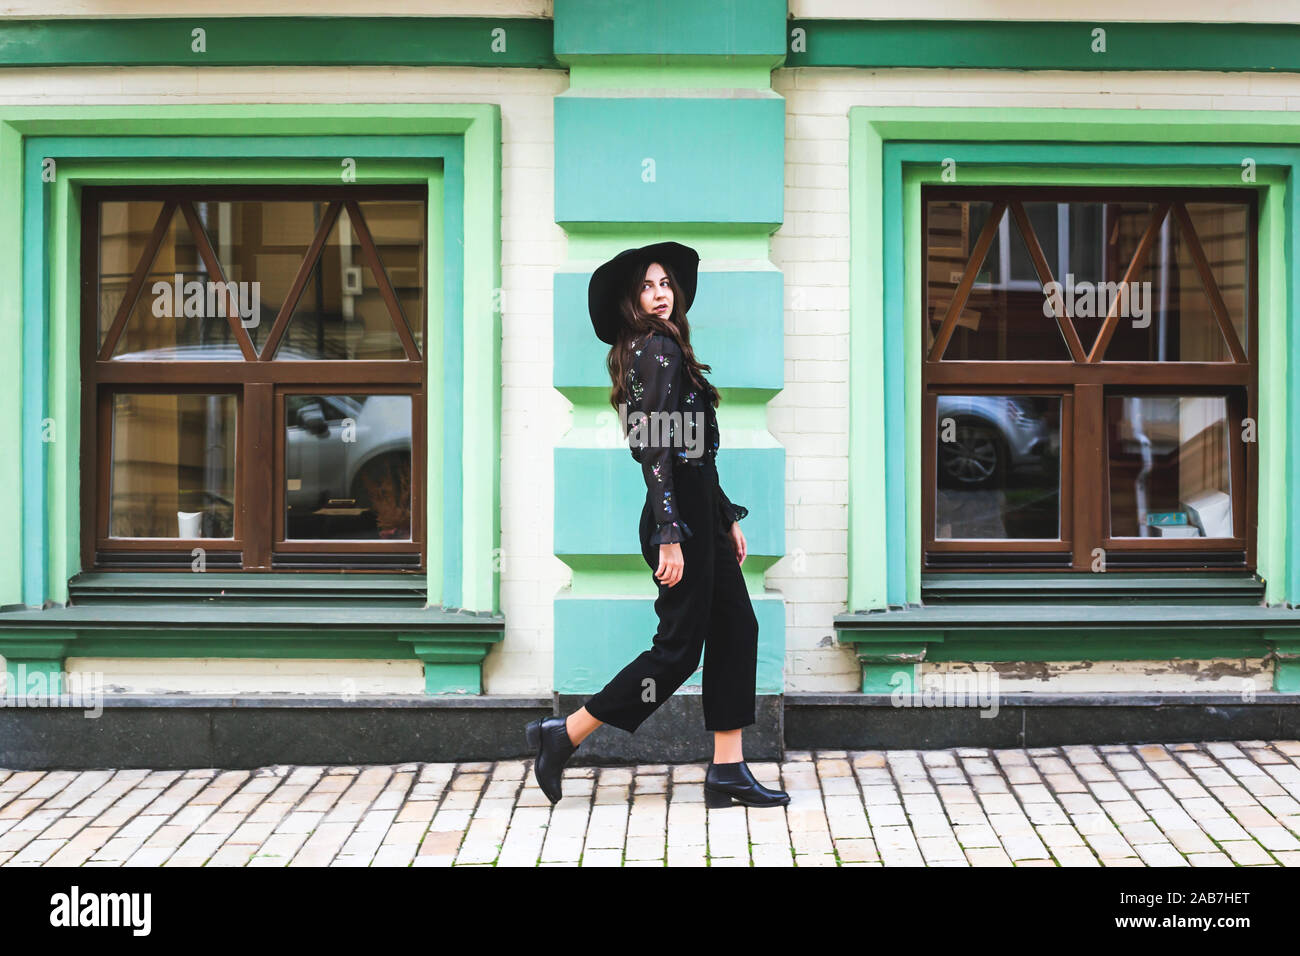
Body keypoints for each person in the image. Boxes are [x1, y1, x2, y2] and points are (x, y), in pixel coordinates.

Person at [525, 241, 790, 810]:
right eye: (647, 286)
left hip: (698, 513)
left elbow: (692, 449)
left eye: (665, 283)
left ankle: (727, 770)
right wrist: (672, 533)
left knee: (737, 630)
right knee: (675, 651)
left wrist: (724, 519)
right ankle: (563, 733)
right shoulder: (655, 349)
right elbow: (653, 449)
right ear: (631, 300)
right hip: (679, 518)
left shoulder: (665, 349)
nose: (660, 293)